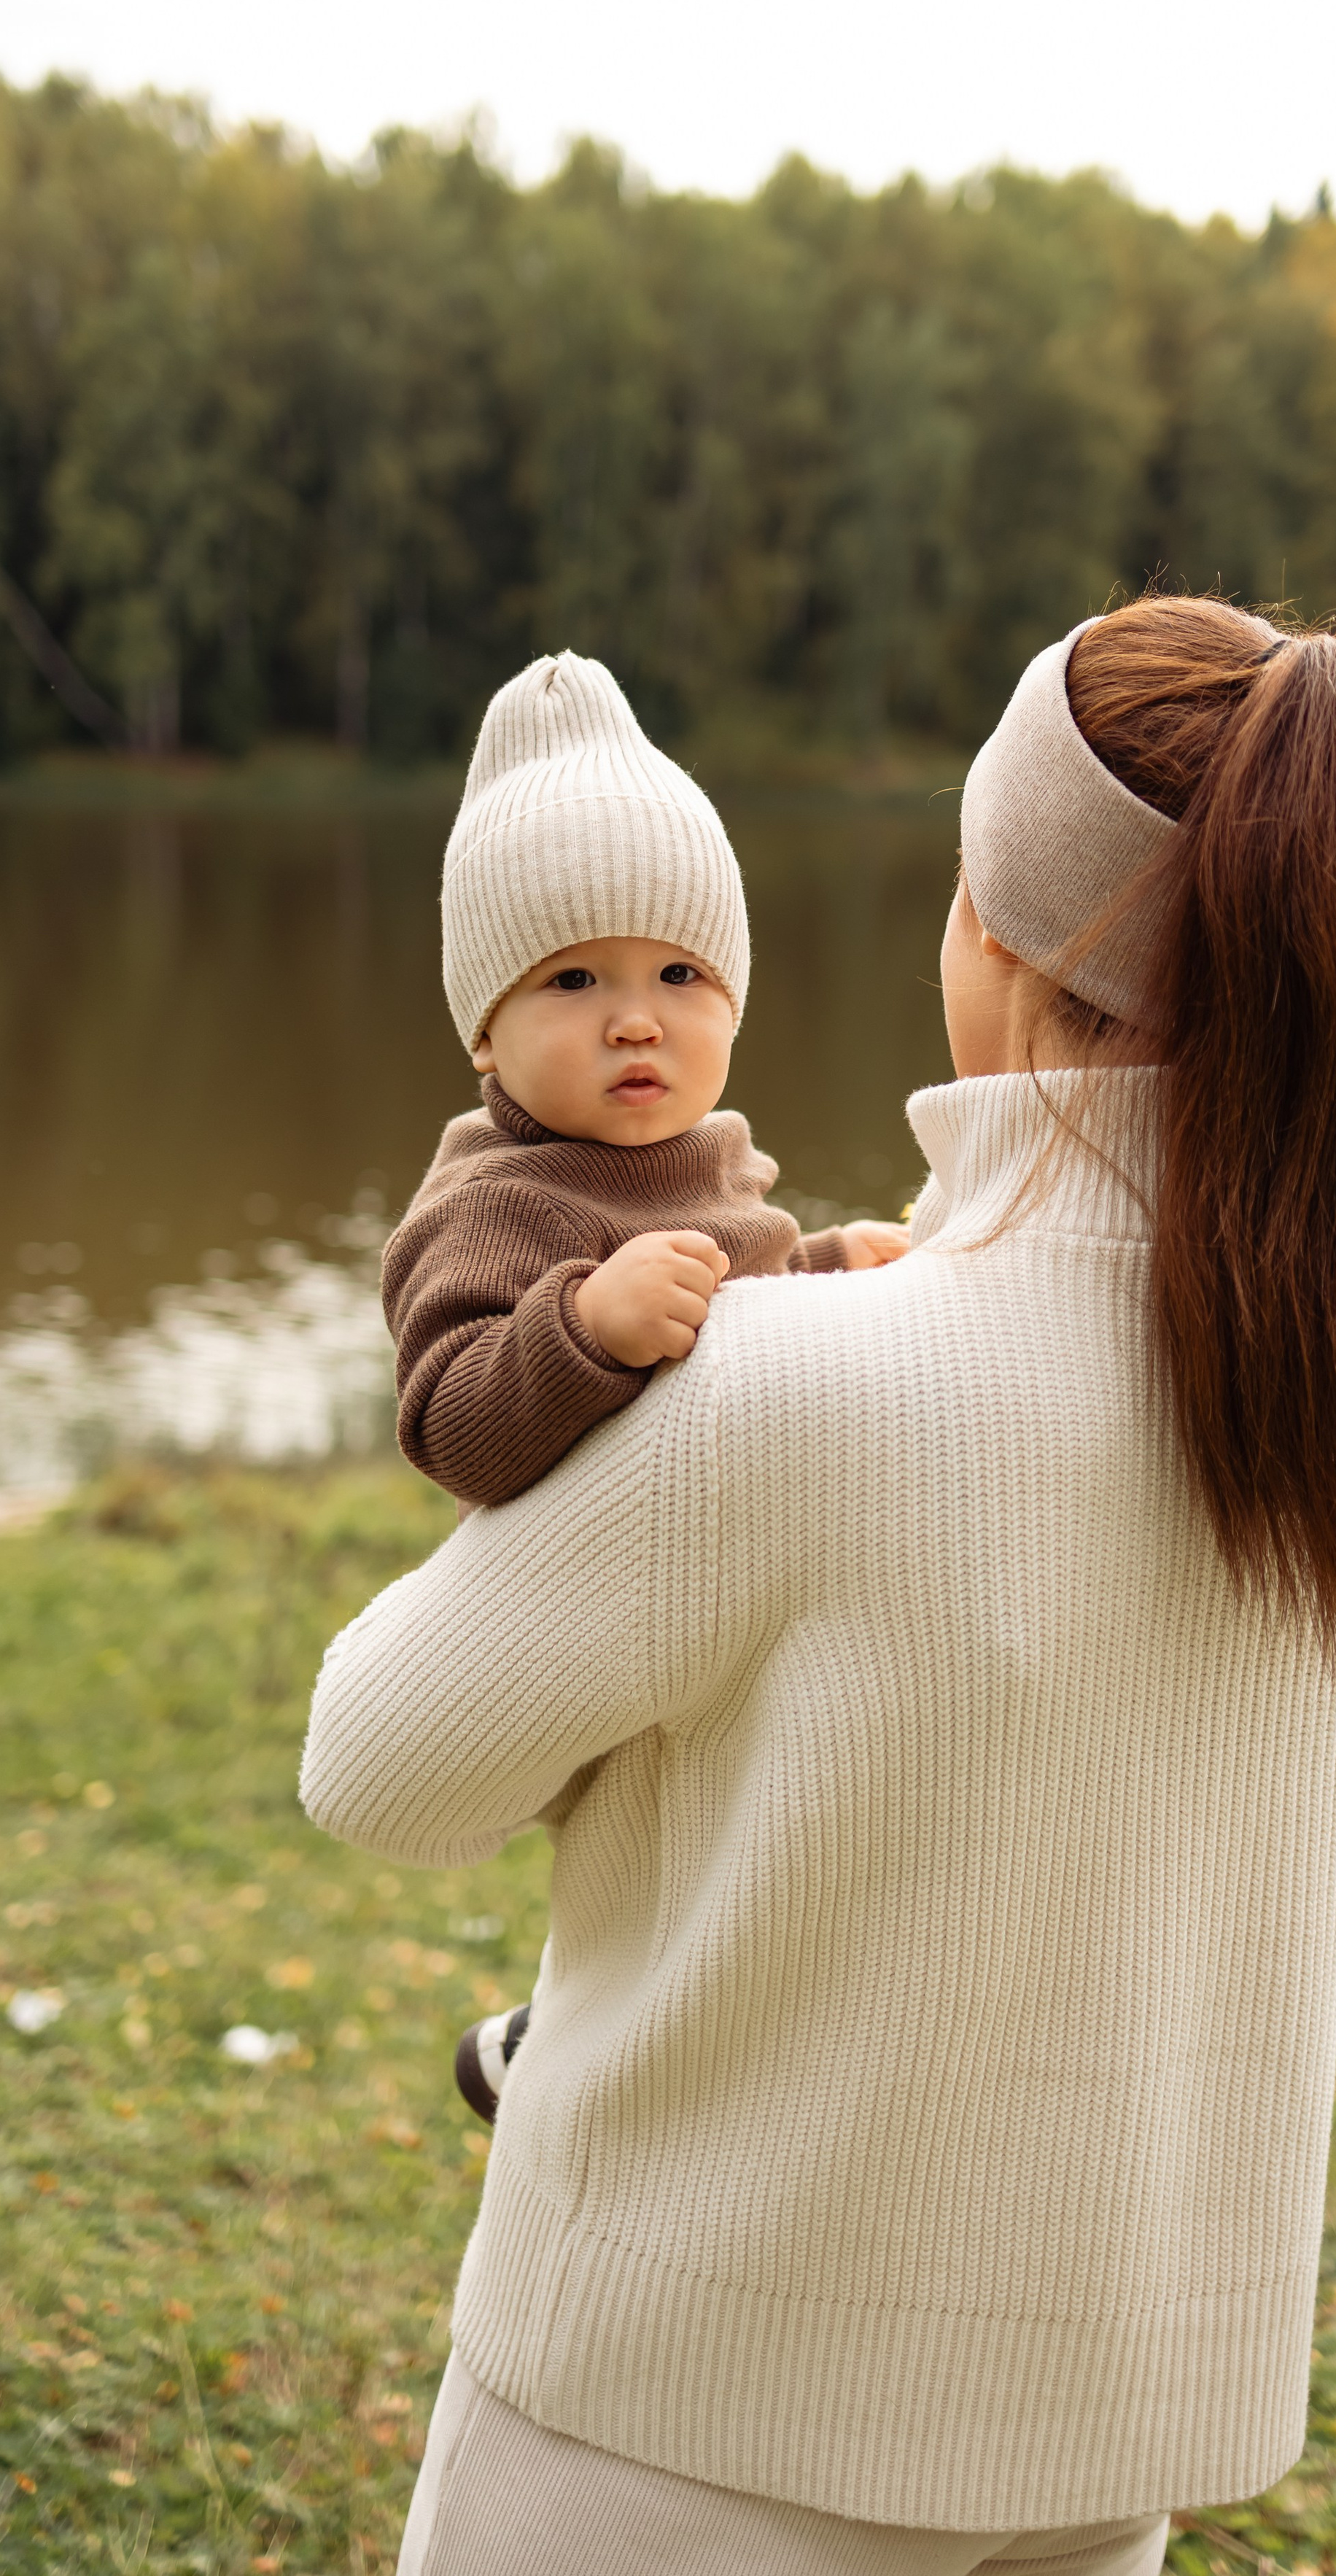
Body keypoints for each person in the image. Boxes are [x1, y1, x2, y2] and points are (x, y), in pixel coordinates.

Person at [301, 597, 1336, 2576]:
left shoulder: (775, 1389)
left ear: (1005, 948)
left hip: (672, 2428)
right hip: (1107, 2446)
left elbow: (380, 1764)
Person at [384, 649, 906, 2113]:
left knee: (772, 1827)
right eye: (574, 979)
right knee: (668, 1855)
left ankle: (611, 2030)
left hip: (725, 1592)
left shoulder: (708, 1160)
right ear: (483, 1026)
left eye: (679, 974)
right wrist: (582, 1327)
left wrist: (823, 1265)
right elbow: (450, 1426)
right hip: (581, 1624)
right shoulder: (498, 1199)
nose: (636, 1018)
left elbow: (735, 1311)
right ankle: (555, 2038)